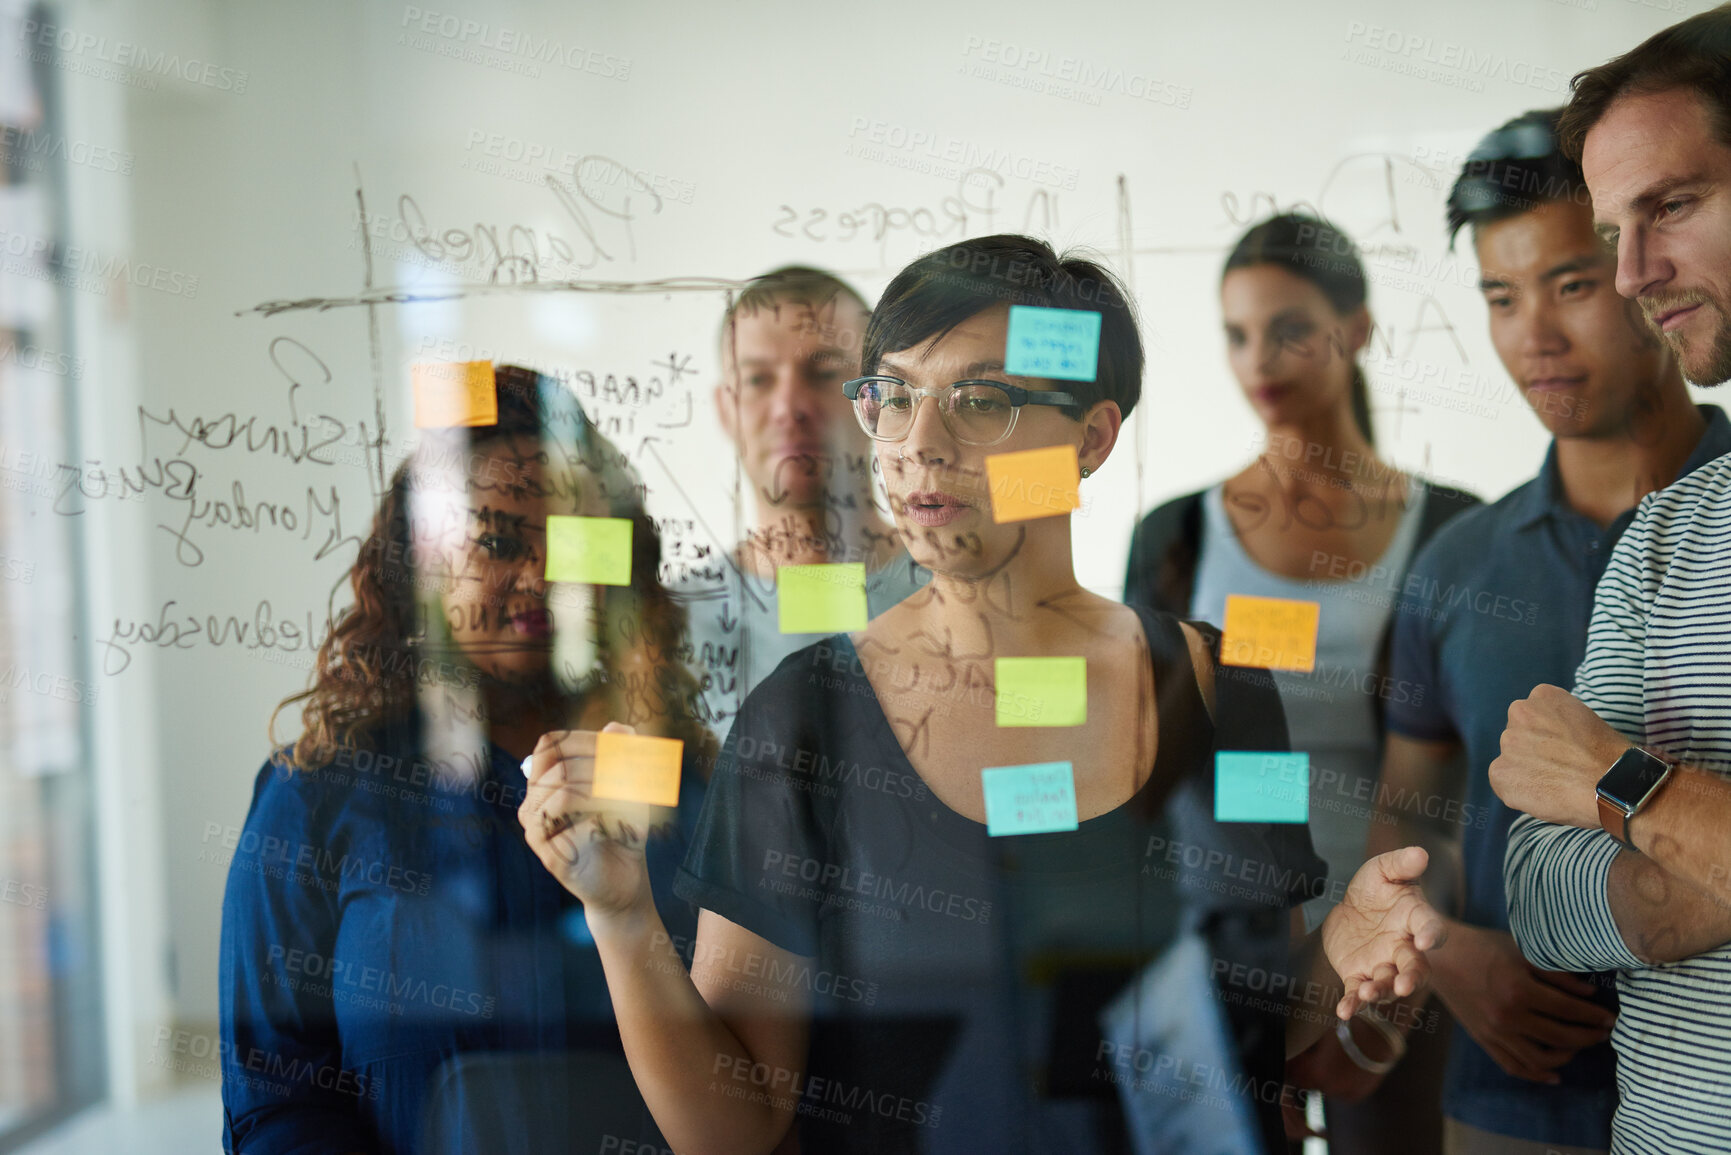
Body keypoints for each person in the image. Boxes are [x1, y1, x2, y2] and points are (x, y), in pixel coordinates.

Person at [520, 235, 1446, 1155]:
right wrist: (622, 913)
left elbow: (1242, 1032)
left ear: (1090, 437)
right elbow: (733, 1124)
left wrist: (1337, 956)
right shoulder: (803, 718)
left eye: (982, 401)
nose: (920, 445)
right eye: (893, 396)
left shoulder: (1226, 688)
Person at [219, 366, 715, 1154]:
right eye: (495, 540)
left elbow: (749, 1079)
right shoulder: (316, 793)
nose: (542, 578)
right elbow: (275, 1096)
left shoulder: (681, 786)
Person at [1373, 106, 1731, 1155]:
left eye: (1571, 284)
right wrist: (1446, 951)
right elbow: (1405, 817)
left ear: (1636, 269)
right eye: (1499, 296)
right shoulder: (1455, 568)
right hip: (1515, 1100)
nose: (1533, 334)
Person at [1123, 212, 1478, 1150]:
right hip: (1220, 938)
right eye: (1236, 334)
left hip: (1399, 938)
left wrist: (1414, 934)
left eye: (1288, 327)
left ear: (1356, 328)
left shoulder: (1451, 530)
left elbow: (1460, 778)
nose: (1258, 360)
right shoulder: (1177, 533)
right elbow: (1133, 769)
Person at [1492, 10, 1731, 1154]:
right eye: (1614, 228)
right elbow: (1537, 893)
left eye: (1672, 206)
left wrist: (1619, 788)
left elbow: (1584, 813)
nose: (1635, 272)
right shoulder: (1669, 536)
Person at [680, 266, 926, 735]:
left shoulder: (964, 591)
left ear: (878, 397)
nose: (789, 405)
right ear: (724, 408)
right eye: (756, 380)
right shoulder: (672, 621)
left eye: (824, 371)